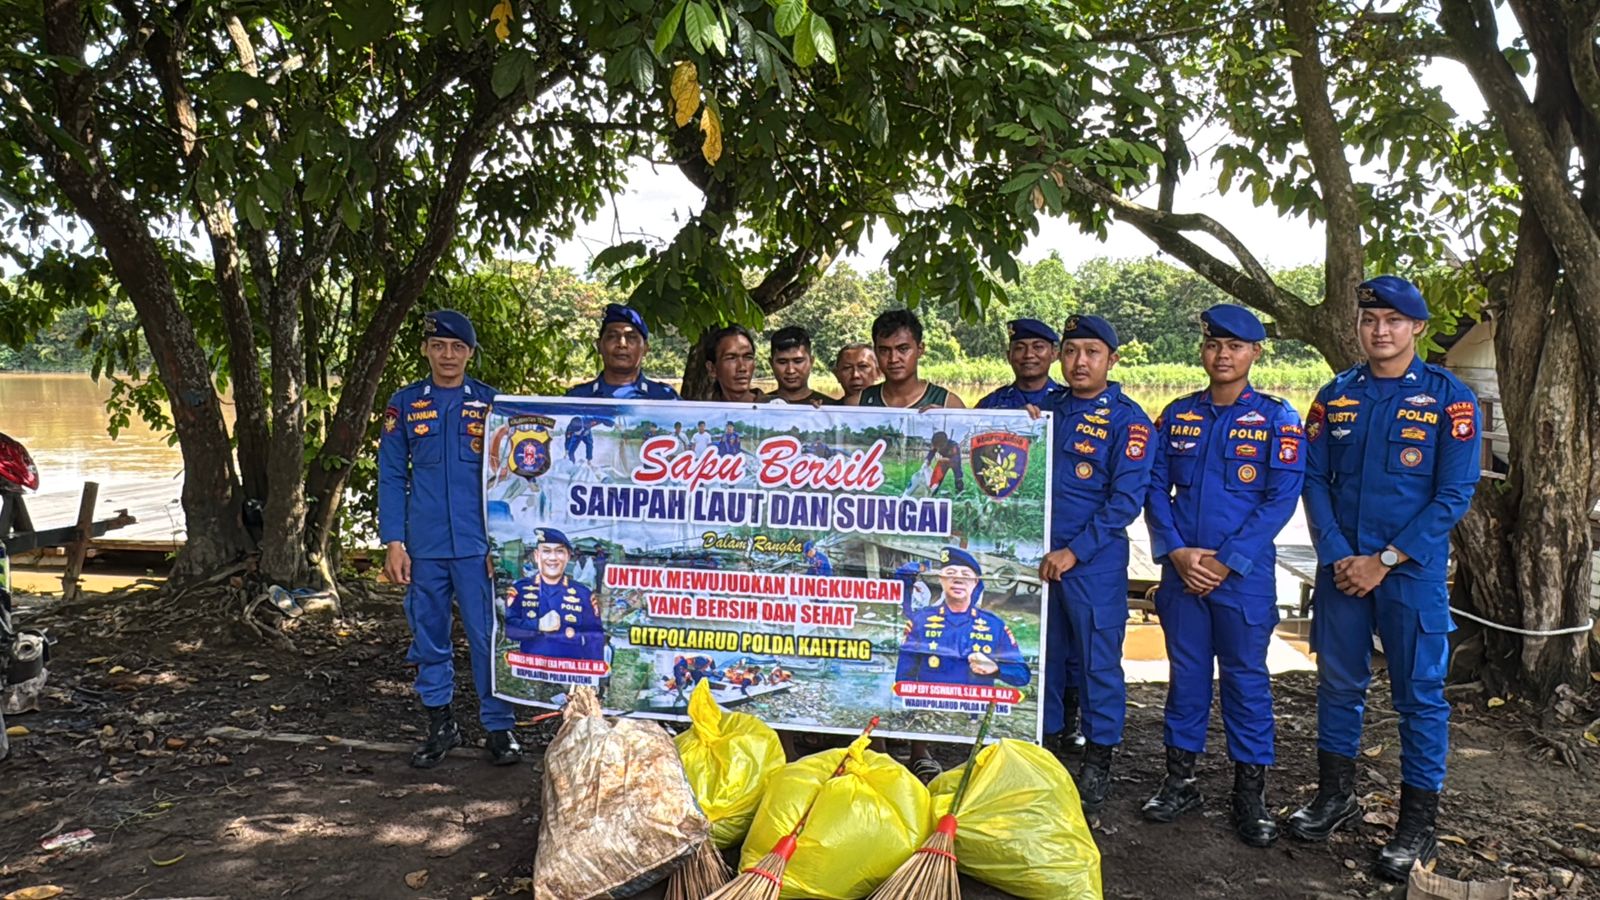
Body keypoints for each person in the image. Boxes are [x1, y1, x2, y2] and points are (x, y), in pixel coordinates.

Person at [1289, 276, 1480, 881]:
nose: (1380, 330)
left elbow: (1454, 494)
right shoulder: (1334, 396)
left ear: (1417, 328)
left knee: (1419, 698)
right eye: (1371, 319)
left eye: (1394, 321)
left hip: (1409, 574)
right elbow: (1313, 480)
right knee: (1338, 687)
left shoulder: (1451, 399)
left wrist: (1385, 561)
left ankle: (1417, 827)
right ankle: (1335, 796)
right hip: (1343, 571)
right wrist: (1342, 555)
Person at [1142, 305, 1305, 847]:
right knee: (1185, 677)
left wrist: (1227, 558)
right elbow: (1154, 488)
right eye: (1214, 345)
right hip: (1183, 575)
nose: (1223, 355)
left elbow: (1281, 498)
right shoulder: (1177, 415)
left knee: (1246, 680)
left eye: (1235, 346)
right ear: (1204, 351)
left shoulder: (1279, 419)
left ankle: (1249, 793)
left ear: (1255, 352)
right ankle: (1180, 779)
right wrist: (1175, 552)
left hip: (1242, 577)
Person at [378, 309, 520, 768]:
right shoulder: (405, 405)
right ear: (425, 349)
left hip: (479, 548)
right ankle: (440, 724)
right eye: (438, 346)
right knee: (429, 637)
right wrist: (394, 542)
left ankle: (499, 728)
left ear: (470, 353)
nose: (448, 355)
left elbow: (511, 479)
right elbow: (392, 473)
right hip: (424, 547)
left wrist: (502, 544)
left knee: (488, 638)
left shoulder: (493, 405)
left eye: (458, 347)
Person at [1034, 314, 1153, 816]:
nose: (1079, 362)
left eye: (1092, 353)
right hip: (1040, 561)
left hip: (1093, 562)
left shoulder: (1129, 420)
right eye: (1072, 350)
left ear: (1111, 360)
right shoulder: (1045, 410)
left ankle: (1099, 758)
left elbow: (1125, 501)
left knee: (1099, 663)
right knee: (1046, 659)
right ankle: (1047, 752)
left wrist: (1074, 551)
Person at [897, 547, 1030, 691]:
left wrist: (996, 668)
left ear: (976, 582)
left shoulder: (994, 625)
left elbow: (1022, 675)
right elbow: (903, 679)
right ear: (941, 579)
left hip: (974, 711)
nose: (958, 580)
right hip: (928, 710)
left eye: (965, 574)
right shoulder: (920, 621)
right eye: (950, 573)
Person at [503, 529, 605, 662]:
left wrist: (592, 677)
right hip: (530, 672)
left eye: (559, 551)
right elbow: (507, 629)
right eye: (546, 551)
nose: (552, 558)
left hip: (570, 675)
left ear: (568, 556)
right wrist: (537, 625)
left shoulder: (583, 594)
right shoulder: (520, 590)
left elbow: (595, 639)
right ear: (536, 555)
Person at [566, 303, 680, 399]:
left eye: (631, 337)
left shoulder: (665, 398)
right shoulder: (577, 398)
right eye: (612, 336)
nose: (622, 344)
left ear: (645, 348)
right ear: (599, 345)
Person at [860, 310, 966, 409]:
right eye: (884, 350)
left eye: (903, 349)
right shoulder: (858, 403)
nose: (893, 359)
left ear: (920, 349)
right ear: (875, 352)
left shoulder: (949, 404)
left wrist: (947, 420)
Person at [976, 318, 1063, 409]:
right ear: (1009, 356)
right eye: (1020, 348)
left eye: (1038, 347)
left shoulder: (1067, 401)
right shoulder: (990, 405)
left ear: (1054, 354)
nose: (1028, 355)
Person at [764, 326, 834, 404]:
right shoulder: (758, 406)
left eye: (798, 361)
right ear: (771, 363)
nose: (790, 370)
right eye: (782, 362)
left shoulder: (832, 408)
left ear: (811, 361)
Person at [703, 324, 764, 402]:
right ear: (712, 369)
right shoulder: (705, 412)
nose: (742, 368)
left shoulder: (777, 409)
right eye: (731, 358)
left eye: (748, 357)